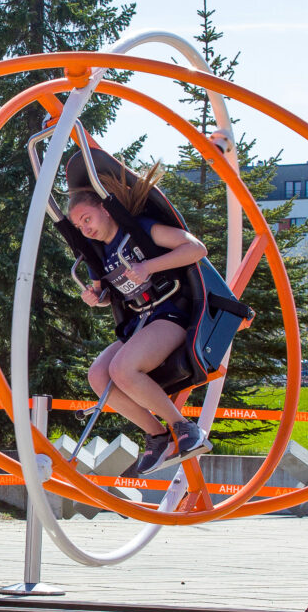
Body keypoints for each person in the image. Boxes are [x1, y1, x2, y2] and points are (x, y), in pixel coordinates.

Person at [67, 162, 213, 474]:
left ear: (105, 211)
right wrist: (96, 298)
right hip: (139, 323)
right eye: (79, 226)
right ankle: (158, 434)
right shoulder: (98, 256)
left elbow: (196, 249)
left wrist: (150, 267)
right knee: (98, 376)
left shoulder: (141, 231)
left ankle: (184, 427)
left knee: (123, 368)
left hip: (170, 313)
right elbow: (105, 295)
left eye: (87, 219)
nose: (85, 228)